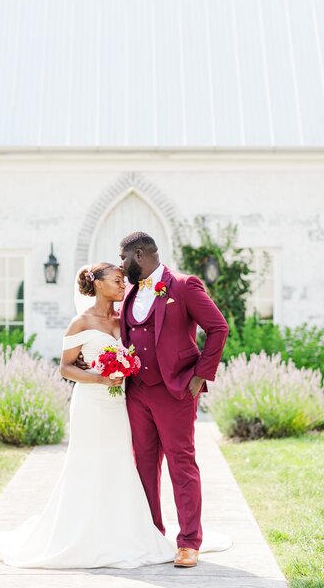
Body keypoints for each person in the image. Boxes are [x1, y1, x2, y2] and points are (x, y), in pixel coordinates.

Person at [0, 262, 175, 569]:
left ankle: (121, 532)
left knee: (118, 463)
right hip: (90, 403)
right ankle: (80, 533)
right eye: (116, 281)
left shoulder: (125, 320)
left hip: (118, 406)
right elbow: (66, 367)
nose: (122, 285)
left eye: (122, 281)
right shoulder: (80, 322)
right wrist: (101, 379)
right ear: (98, 285)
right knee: (87, 464)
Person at [117, 231, 229, 567]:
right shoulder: (129, 294)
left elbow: (218, 328)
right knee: (145, 465)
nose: (121, 267)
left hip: (176, 390)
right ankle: (153, 533)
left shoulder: (183, 285)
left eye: (123, 259)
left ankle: (189, 542)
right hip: (137, 392)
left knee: (182, 463)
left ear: (138, 254)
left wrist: (199, 376)